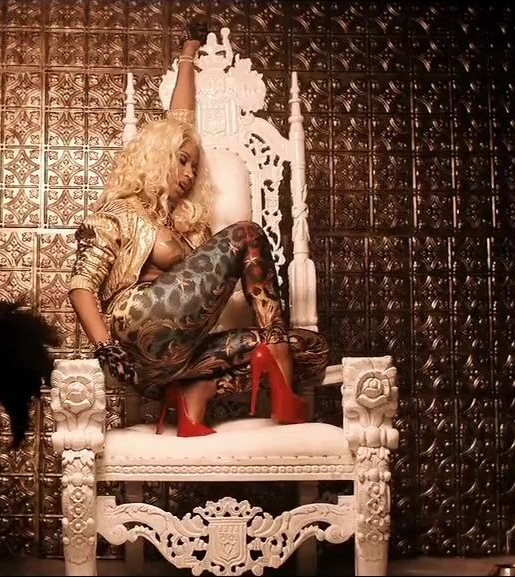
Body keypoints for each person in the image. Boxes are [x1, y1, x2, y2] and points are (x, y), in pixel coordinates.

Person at [68, 23, 329, 437]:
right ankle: (275, 355)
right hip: (133, 334)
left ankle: (195, 390)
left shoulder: (186, 225)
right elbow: (81, 286)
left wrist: (189, 57)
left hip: (177, 357)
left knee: (311, 350)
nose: (189, 173)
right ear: (157, 158)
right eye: (181, 161)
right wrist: (106, 349)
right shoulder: (120, 211)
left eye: (194, 165)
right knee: (246, 234)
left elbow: (183, 126)